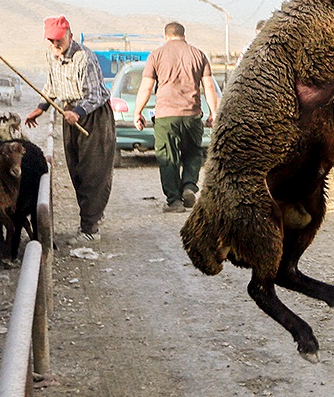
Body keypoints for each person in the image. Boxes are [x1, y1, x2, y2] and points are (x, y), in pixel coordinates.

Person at [25, 15, 116, 244]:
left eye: (59, 40)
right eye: (51, 40)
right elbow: (52, 85)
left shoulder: (85, 57)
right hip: (69, 114)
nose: (56, 45)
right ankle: (92, 217)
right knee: (76, 171)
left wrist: (79, 112)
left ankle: (90, 229)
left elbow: (95, 95)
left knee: (92, 173)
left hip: (92, 116)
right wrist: (41, 107)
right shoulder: (52, 55)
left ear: (70, 36)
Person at [133, 22, 219, 213]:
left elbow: (146, 87)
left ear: (165, 37)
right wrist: (214, 113)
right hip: (192, 115)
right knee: (193, 153)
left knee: (167, 157)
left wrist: (137, 112)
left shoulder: (156, 55)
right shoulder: (198, 54)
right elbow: (209, 87)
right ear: (184, 36)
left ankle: (174, 201)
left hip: (165, 116)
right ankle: (189, 185)